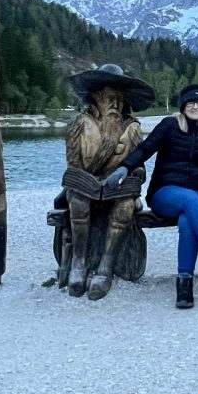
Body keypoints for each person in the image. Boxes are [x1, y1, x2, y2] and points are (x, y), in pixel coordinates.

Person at [105, 84, 198, 308]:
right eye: (191, 102)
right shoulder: (169, 125)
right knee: (189, 200)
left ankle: (185, 284)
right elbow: (145, 149)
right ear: (183, 106)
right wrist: (124, 168)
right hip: (165, 193)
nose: (196, 106)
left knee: (187, 220)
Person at [59, 63, 155, 301]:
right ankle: (79, 263)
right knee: (78, 200)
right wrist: (85, 181)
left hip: (117, 189)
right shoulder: (78, 125)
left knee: (125, 206)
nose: (115, 105)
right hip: (86, 187)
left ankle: (106, 265)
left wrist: (135, 177)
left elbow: (139, 164)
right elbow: (73, 166)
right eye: (110, 99)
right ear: (95, 99)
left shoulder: (131, 129)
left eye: (120, 100)